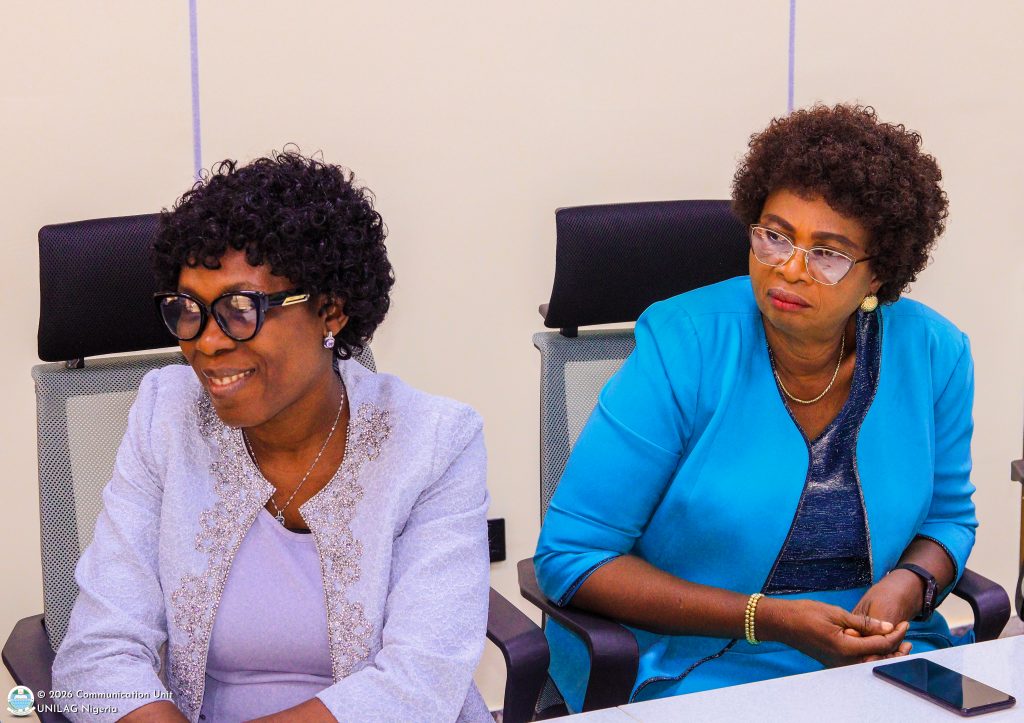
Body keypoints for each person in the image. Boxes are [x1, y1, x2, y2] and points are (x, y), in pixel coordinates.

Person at [534, 104, 977, 710]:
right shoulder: (684, 343)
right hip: (702, 659)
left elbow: (948, 520)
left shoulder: (934, 354)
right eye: (775, 236)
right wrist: (767, 619)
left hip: (882, 657)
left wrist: (910, 582)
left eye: (828, 254)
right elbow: (572, 557)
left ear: (878, 275)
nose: (789, 269)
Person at [52, 151, 492, 722]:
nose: (206, 342)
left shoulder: (434, 442)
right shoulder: (166, 415)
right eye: (188, 309)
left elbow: (419, 683)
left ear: (330, 312)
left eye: (240, 309)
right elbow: (98, 653)